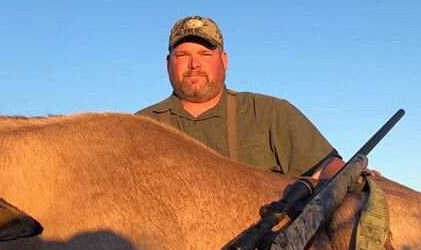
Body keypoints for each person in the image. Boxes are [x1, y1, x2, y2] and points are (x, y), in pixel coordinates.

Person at [136, 16, 345, 183]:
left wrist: (355, 178)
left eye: (205, 54)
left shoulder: (271, 113)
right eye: (182, 55)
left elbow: (326, 167)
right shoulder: (140, 126)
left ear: (224, 61)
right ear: (167, 63)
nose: (194, 64)